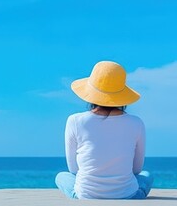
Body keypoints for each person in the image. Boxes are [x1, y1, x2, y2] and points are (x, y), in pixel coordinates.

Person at [55, 61, 154, 199]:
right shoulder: (136, 123)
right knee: (146, 175)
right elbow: (136, 170)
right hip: (128, 195)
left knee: (61, 177)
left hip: (86, 195)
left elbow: (74, 170)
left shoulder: (75, 121)